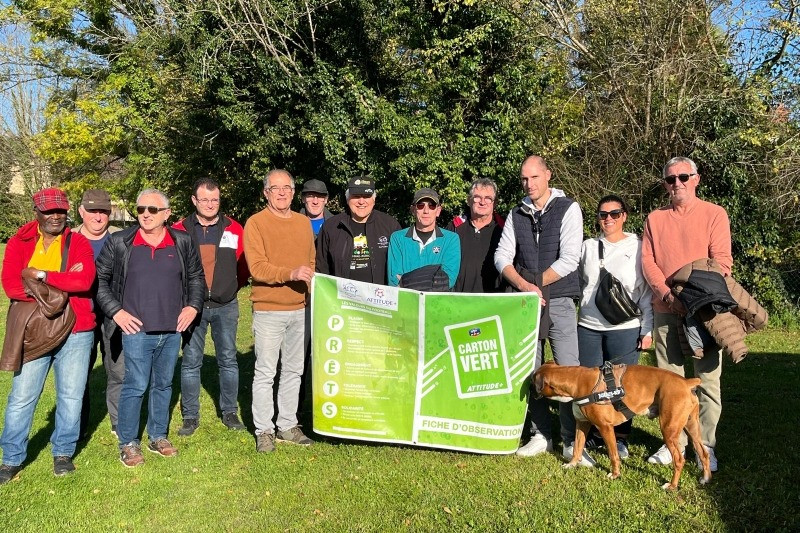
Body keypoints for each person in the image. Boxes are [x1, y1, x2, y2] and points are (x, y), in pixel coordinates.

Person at [95, 189, 205, 468]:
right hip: (135, 331)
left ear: (166, 214)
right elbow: (99, 280)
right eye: (141, 209)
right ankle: (128, 443)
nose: (145, 214)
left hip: (171, 329)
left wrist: (192, 306)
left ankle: (158, 436)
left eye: (152, 210)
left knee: (163, 384)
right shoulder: (120, 242)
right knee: (136, 384)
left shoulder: (182, 242)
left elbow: (196, 277)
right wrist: (116, 312)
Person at [493, 155, 586, 463]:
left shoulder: (568, 208)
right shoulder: (516, 213)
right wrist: (524, 286)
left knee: (569, 369)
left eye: (534, 177)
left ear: (547, 175)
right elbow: (502, 256)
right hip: (525, 300)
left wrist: (536, 283)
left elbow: (570, 258)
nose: (529, 184)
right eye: (524, 179)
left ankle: (572, 440)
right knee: (530, 370)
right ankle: (540, 434)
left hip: (558, 299)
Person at [642, 156, 731, 472]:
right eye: (670, 179)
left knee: (707, 379)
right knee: (670, 381)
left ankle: (705, 445)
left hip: (704, 313)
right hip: (665, 310)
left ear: (696, 178)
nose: (676, 183)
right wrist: (667, 294)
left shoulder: (714, 215)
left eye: (683, 177)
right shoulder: (655, 218)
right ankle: (674, 443)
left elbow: (721, 263)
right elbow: (648, 262)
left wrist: (690, 297)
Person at [0, 187, 96, 483]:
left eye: (61, 211)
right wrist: (60, 285)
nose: (56, 216)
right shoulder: (20, 241)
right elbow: (11, 286)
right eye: (49, 211)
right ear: (37, 213)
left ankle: (63, 452)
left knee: (71, 395)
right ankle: (11, 458)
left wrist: (39, 275)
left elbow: (84, 280)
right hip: (34, 331)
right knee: (23, 396)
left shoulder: (78, 241)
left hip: (77, 329)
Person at [576, 194, 653, 460]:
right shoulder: (587, 246)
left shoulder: (639, 246)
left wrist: (647, 329)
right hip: (588, 325)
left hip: (625, 325)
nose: (608, 219)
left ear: (624, 216)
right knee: (591, 384)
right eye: (602, 214)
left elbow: (645, 293)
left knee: (620, 385)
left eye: (614, 213)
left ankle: (620, 438)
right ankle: (595, 435)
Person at [244, 169, 316, 453]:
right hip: (269, 310)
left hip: (299, 309)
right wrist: (291, 272)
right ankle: (264, 429)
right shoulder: (256, 223)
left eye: (287, 187)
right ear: (266, 193)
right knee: (265, 372)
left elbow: (311, 260)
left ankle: (287, 424)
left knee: (294, 370)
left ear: (293, 191)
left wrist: (309, 285)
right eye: (276, 188)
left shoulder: (302, 223)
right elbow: (257, 268)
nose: (282, 193)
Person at [172, 178, 249, 436]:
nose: (209, 204)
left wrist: (228, 289)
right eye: (204, 199)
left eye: (214, 199)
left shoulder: (234, 228)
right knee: (191, 361)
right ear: (194, 200)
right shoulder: (179, 230)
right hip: (192, 307)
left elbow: (243, 265)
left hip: (226, 305)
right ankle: (190, 416)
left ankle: (229, 411)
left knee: (228, 359)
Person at [75, 189, 124, 439]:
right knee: (78, 373)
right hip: (79, 316)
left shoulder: (121, 238)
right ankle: (78, 424)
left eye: (103, 211)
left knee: (117, 369)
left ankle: (118, 422)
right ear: (81, 211)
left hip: (113, 315)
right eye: (92, 211)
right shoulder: (68, 238)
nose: (98, 216)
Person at [316, 176, 401, 284]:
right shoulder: (331, 227)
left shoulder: (390, 226)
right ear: (347, 199)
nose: (361, 201)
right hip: (342, 298)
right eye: (356, 196)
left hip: (379, 298)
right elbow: (321, 269)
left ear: (374, 199)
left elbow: (399, 269)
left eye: (366, 196)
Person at [387, 187, 461, 289]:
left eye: (431, 206)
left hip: (437, 303)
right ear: (413, 210)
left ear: (438, 211)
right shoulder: (397, 238)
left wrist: (406, 280)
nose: (426, 211)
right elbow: (394, 281)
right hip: (407, 302)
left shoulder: (451, 239)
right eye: (420, 206)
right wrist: (433, 276)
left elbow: (447, 280)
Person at [446, 178, 505, 293]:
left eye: (488, 198)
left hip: (493, 302)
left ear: (495, 203)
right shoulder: (454, 228)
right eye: (477, 197)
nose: (482, 202)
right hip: (459, 300)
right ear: (469, 200)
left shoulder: (504, 230)